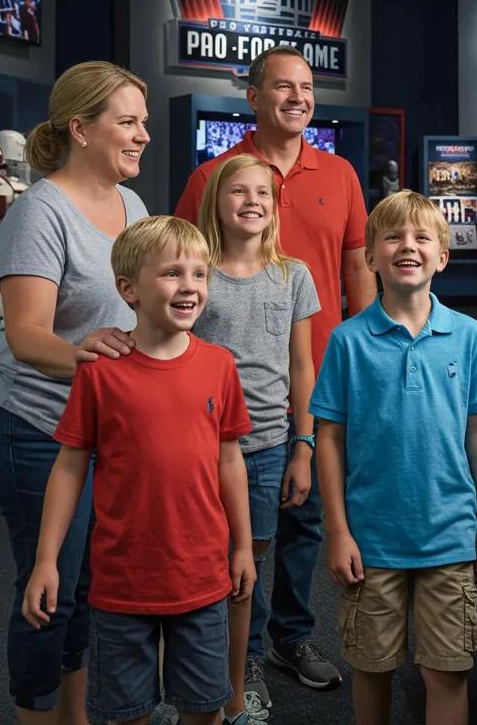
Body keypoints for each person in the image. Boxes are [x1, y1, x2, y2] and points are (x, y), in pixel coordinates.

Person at [175, 45, 377, 705]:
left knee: (306, 519)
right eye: (283, 86)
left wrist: (372, 353)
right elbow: (178, 272)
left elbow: (356, 271)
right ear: (253, 96)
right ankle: (244, 650)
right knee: (237, 531)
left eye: (308, 86)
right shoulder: (215, 176)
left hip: (316, 378)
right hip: (225, 396)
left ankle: (289, 636)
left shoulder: (341, 173)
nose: (298, 97)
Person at [22, 216, 255, 725]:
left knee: (204, 711)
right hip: (122, 584)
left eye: (200, 274)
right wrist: (46, 560)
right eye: (173, 273)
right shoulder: (100, 372)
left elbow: (229, 459)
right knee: (126, 714)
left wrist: (242, 545)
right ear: (128, 288)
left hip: (201, 578)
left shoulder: (220, 365)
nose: (190, 286)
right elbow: (68, 468)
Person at [0, 61, 150, 724]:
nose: (142, 136)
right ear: (81, 128)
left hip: (98, 425)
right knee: (48, 589)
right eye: (127, 122)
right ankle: (38, 711)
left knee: (87, 587)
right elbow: (25, 336)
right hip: (33, 425)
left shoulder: (133, 206)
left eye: (144, 124)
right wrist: (89, 355)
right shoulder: (37, 212)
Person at [311, 190, 477, 725]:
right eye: (392, 236)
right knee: (371, 667)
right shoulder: (347, 341)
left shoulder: (468, 335)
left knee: (448, 672)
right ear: (371, 256)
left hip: (449, 534)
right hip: (371, 541)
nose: (407, 246)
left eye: (422, 237)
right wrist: (338, 531)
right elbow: (329, 438)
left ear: (442, 256)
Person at [193, 153, 320, 722]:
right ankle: (197, 668)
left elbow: (301, 366)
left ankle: (243, 669)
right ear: (215, 202)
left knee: (251, 563)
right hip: (197, 446)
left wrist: (304, 444)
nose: (252, 201)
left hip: (269, 444)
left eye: (263, 193)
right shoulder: (195, 269)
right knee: (200, 559)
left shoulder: (293, 275)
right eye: (238, 191)